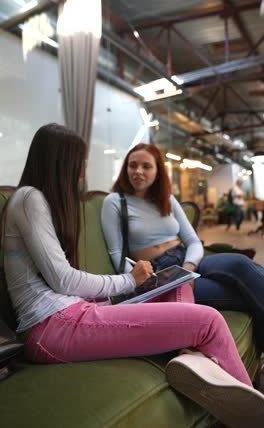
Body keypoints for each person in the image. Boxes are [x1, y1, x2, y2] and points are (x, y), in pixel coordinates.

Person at [1, 126, 264, 427]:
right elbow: (64, 280)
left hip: (72, 312)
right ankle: (253, 410)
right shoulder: (29, 198)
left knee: (182, 286)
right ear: (61, 161)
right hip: (52, 326)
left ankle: (191, 356)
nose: (83, 170)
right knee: (209, 321)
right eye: (80, 162)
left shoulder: (37, 199)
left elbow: (63, 283)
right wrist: (129, 281)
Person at [101, 143, 264, 357]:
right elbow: (116, 253)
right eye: (133, 165)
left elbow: (194, 241)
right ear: (126, 169)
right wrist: (137, 281)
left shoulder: (166, 199)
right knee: (242, 291)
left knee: (241, 264)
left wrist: (188, 266)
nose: (138, 171)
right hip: (160, 273)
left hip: (187, 257)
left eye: (146, 166)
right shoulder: (115, 202)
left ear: (158, 171)